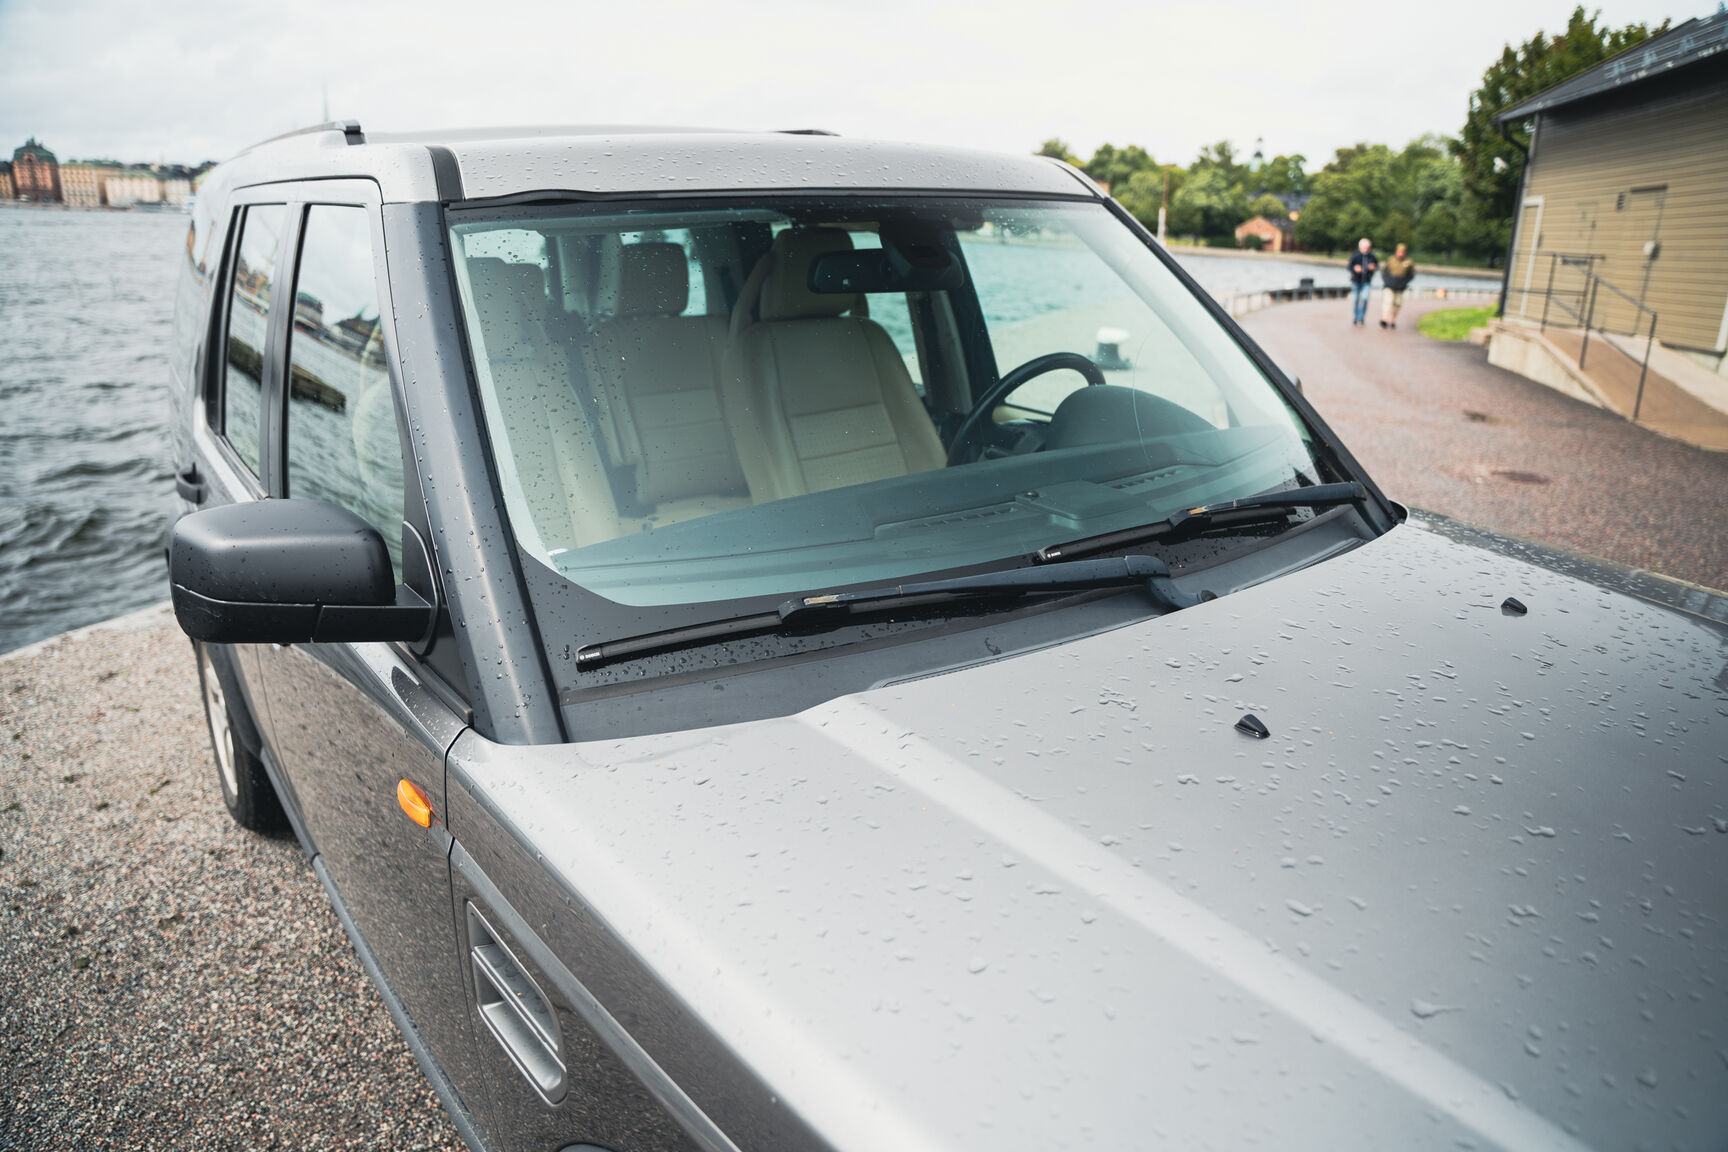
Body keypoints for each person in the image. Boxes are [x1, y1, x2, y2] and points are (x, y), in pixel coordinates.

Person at [1380, 244, 1416, 328]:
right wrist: (1387, 281)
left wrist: (1404, 282)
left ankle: (1393, 321)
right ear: (1396, 251)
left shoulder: (1409, 262)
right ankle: (1384, 319)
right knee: (1388, 301)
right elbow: (1384, 272)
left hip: (1400, 287)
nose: (1400, 253)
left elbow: (1411, 275)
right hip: (1389, 285)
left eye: (1402, 252)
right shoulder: (1391, 260)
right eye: (1399, 251)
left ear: (1405, 252)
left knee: (1397, 304)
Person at [1347, 238, 1377, 326]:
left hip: (1366, 282)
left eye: (1368, 248)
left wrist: (1373, 267)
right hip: (1356, 281)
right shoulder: (1355, 256)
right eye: (1365, 247)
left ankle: (1361, 317)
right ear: (1360, 247)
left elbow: (1376, 265)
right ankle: (1356, 317)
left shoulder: (1372, 256)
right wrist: (1354, 269)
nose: (1366, 249)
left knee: (1364, 299)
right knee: (1356, 300)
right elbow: (1349, 267)